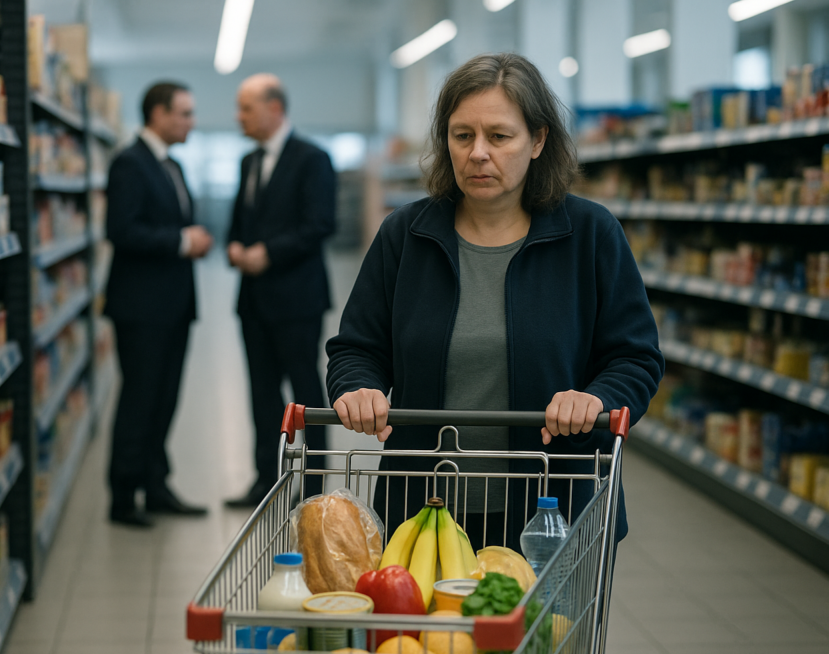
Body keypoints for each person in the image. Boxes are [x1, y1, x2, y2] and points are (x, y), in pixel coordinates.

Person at [326, 53, 664, 549]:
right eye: (462, 135)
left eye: (499, 136)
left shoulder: (591, 235)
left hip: (552, 512)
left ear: (538, 140)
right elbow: (357, 348)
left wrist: (597, 399)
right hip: (423, 514)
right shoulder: (406, 235)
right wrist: (358, 387)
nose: (478, 153)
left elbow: (635, 358)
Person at [104, 81, 213, 526]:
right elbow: (121, 229)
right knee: (140, 399)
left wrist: (188, 239)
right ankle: (123, 497)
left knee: (164, 399)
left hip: (173, 305)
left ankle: (156, 486)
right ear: (158, 114)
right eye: (184, 113)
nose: (191, 122)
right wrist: (182, 241)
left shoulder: (172, 165)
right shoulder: (129, 163)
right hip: (142, 308)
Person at [225, 74, 337, 508]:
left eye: (246, 108)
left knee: (306, 395)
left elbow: (320, 224)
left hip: (296, 299)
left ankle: (314, 490)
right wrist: (235, 246)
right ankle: (266, 482)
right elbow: (242, 219)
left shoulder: (312, 159)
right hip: (253, 300)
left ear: (274, 108)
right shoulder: (248, 161)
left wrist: (268, 254)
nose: (239, 117)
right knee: (261, 393)